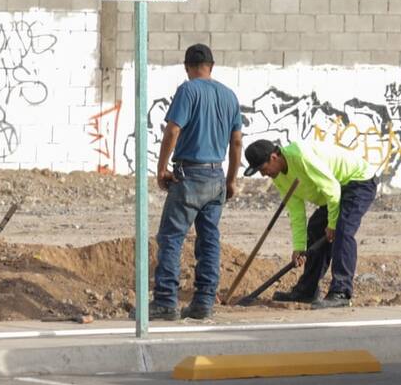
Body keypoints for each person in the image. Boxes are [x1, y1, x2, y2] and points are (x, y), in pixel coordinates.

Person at [143, 43, 243, 322]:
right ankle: (204, 302)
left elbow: (172, 131)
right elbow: (237, 142)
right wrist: (231, 180)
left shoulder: (188, 90)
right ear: (212, 66)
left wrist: (161, 168)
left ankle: (165, 301)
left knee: (171, 238)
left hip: (190, 175)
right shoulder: (229, 96)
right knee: (209, 240)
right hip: (216, 176)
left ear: (187, 67)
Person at [243, 138, 377, 309]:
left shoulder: (301, 156)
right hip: (334, 190)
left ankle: (341, 292)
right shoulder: (278, 177)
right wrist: (299, 247)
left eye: (263, 169)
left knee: (342, 231)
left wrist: (332, 224)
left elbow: (332, 189)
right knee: (315, 228)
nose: (263, 174)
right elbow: (296, 212)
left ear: (274, 157)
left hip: (358, 182)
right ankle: (307, 291)